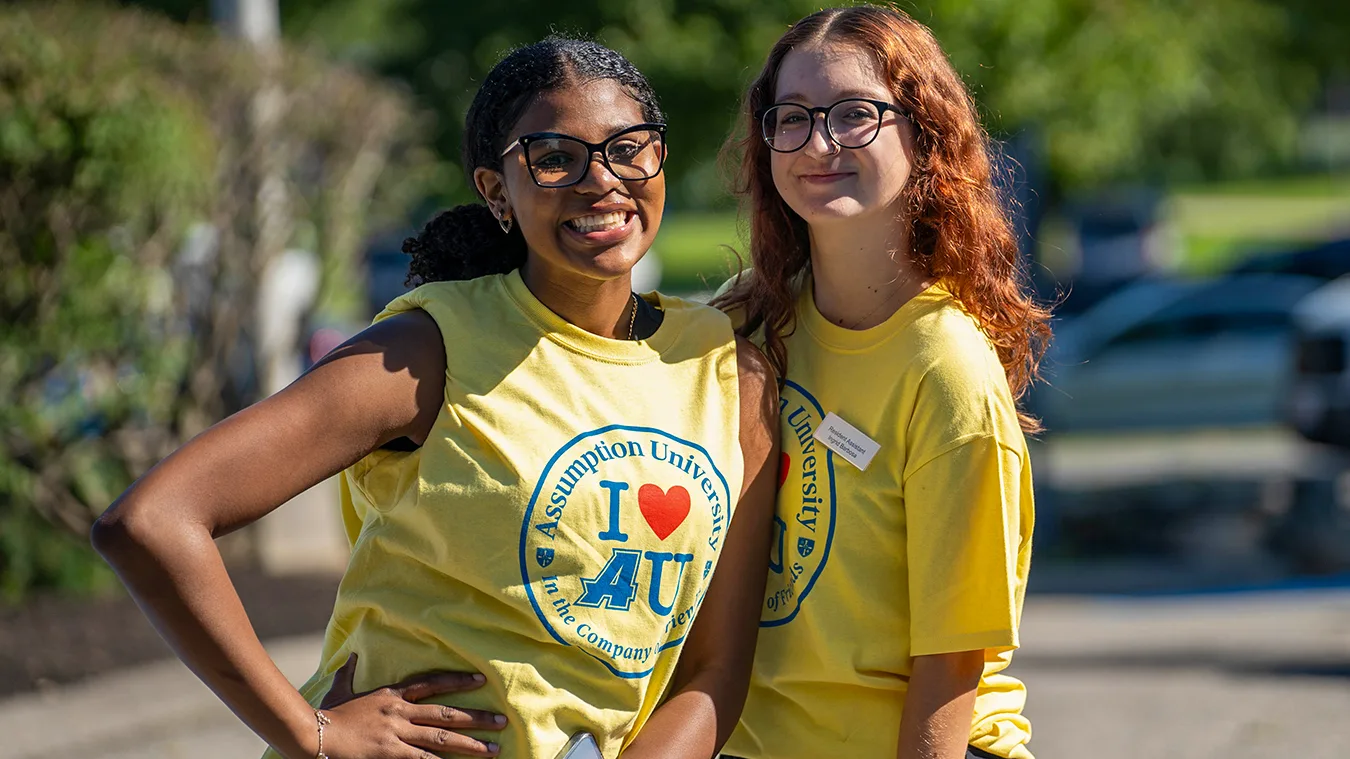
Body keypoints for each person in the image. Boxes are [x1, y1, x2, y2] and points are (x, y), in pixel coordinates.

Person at [92, 37, 779, 759]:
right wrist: (310, 731)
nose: (601, 180)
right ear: (495, 189)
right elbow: (152, 521)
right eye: (554, 157)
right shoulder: (430, 349)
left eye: (628, 148)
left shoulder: (728, 372)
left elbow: (712, 670)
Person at [711, 6, 1051, 759]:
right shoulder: (748, 320)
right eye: (791, 117)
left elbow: (952, 659)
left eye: (854, 114)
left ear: (923, 133)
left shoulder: (946, 368)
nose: (819, 142)